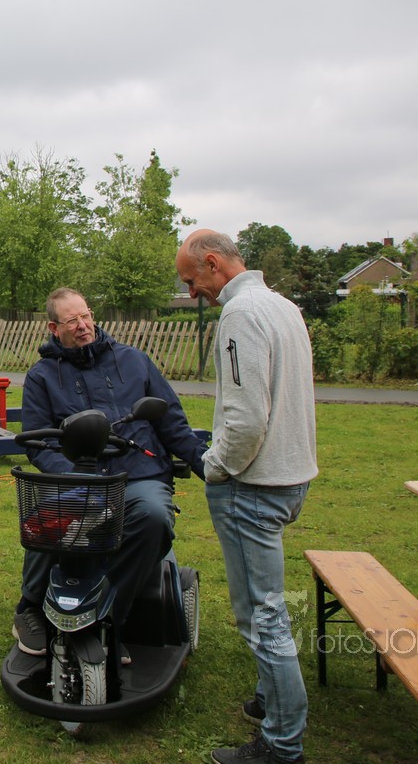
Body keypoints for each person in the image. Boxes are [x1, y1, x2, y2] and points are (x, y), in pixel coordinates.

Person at [177, 229, 318, 764]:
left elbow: (246, 419)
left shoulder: (239, 315)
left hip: (252, 487)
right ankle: (269, 696)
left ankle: (282, 745)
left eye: (191, 280)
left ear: (213, 263)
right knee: (268, 606)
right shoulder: (283, 306)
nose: (191, 292)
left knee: (262, 615)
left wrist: (213, 467)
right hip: (291, 478)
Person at [15, 288, 208, 666]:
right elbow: (38, 443)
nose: (83, 325)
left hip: (136, 474)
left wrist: (206, 465)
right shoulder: (42, 377)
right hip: (79, 478)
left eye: (86, 315)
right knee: (44, 519)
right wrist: (74, 475)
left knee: (154, 516)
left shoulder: (134, 361)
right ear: (54, 328)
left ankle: (106, 614)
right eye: (72, 320)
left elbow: (172, 423)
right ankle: (30, 606)